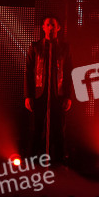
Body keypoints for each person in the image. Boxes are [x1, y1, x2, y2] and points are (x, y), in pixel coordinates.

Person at [25, 16, 73, 161]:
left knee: (58, 128)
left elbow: (69, 72)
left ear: (58, 27)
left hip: (58, 92)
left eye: (53, 25)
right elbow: (28, 72)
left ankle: (58, 159)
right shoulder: (35, 46)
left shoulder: (64, 48)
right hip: (39, 92)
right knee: (37, 127)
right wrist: (28, 95)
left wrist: (68, 96)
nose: (50, 28)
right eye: (47, 25)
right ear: (43, 27)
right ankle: (33, 159)